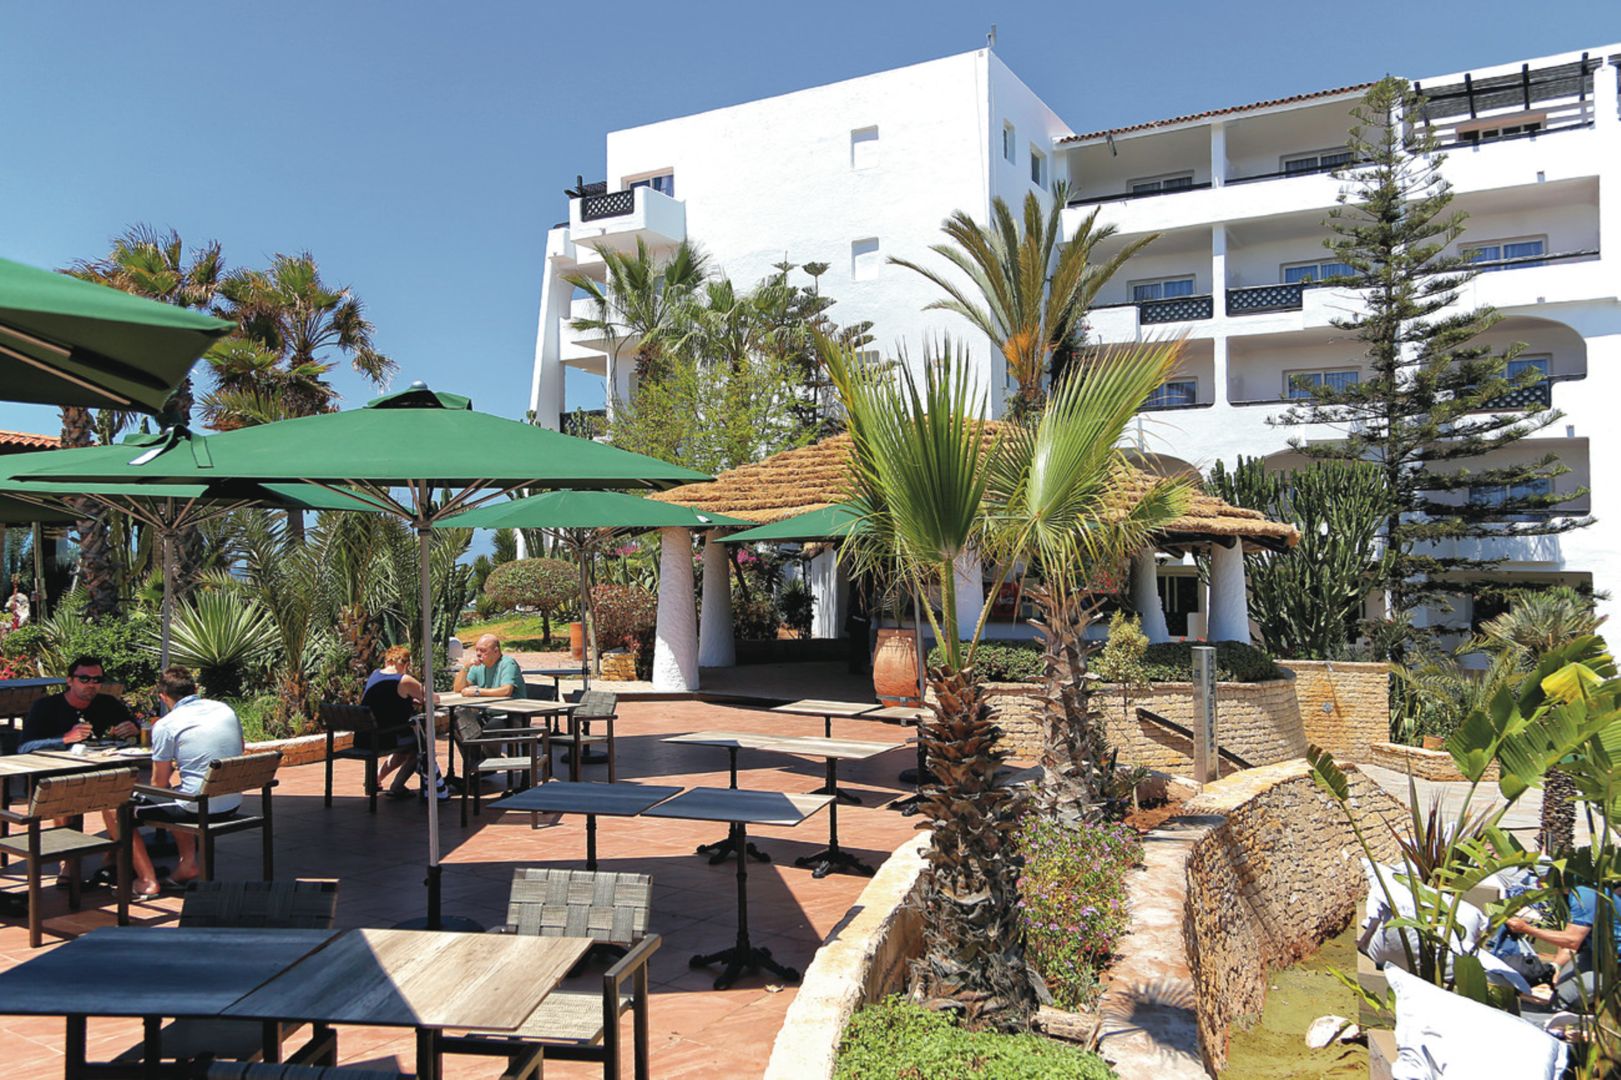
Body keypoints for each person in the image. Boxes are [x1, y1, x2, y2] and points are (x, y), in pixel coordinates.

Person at [126, 666, 246, 890]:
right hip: (232, 802)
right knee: (180, 793)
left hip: (199, 807)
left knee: (117, 808)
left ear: (163, 696)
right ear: (196, 689)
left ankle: (147, 880)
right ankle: (187, 865)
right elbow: (239, 747)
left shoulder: (166, 725)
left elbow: (159, 784)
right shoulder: (224, 710)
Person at [1506, 882, 1621, 1012]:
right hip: (1595, 956)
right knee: (1556, 991)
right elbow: (1570, 944)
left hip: (1615, 966)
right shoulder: (1570, 897)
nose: (1538, 883)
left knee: (1564, 999)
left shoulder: (1585, 895)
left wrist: (1527, 929)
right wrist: (1555, 967)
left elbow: (1572, 940)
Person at [362, 645, 443, 801]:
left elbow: (386, 700)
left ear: (387, 661)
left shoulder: (375, 674)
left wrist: (408, 699)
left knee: (404, 749)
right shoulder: (403, 679)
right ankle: (397, 786)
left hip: (367, 736)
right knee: (421, 747)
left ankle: (375, 778)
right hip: (387, 736)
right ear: (406, 664)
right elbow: (434, 698)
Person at [18, 655, 139, 753]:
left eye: (97, 680)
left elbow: (137, 734)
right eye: (84, 679)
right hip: (54, 769)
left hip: (95, 764)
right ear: (70, 681)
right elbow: (24, 747)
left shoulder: (107, 703)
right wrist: (65, 738)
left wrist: (134, 732)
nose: (91, 684)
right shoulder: (45, 706)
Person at [452, 634, 526, 701]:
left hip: (512, 709)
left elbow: (506, 691)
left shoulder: (508, 663)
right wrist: (466, 667)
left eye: (483, 650)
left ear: (496, 651)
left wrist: (477, 692)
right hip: (488, 708)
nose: (478, 654)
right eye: (477, 650)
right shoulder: (478, 665)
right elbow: (458, 689)